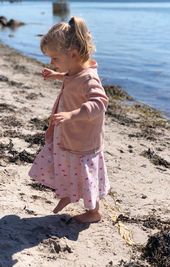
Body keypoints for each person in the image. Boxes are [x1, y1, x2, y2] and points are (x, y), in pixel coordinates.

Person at [28, 16, 110, 223]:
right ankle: (67, 195)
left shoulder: (89, 77)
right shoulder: (74, 70)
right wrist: (56, 75)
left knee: (84, 174)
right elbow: (70, 76)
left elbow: (100, 102)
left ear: (73, 54)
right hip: (67, 134)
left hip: (82, 140)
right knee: (64, 164)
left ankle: (93, 212)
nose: (51, 62)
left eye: (55, 58)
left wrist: (73, 114)